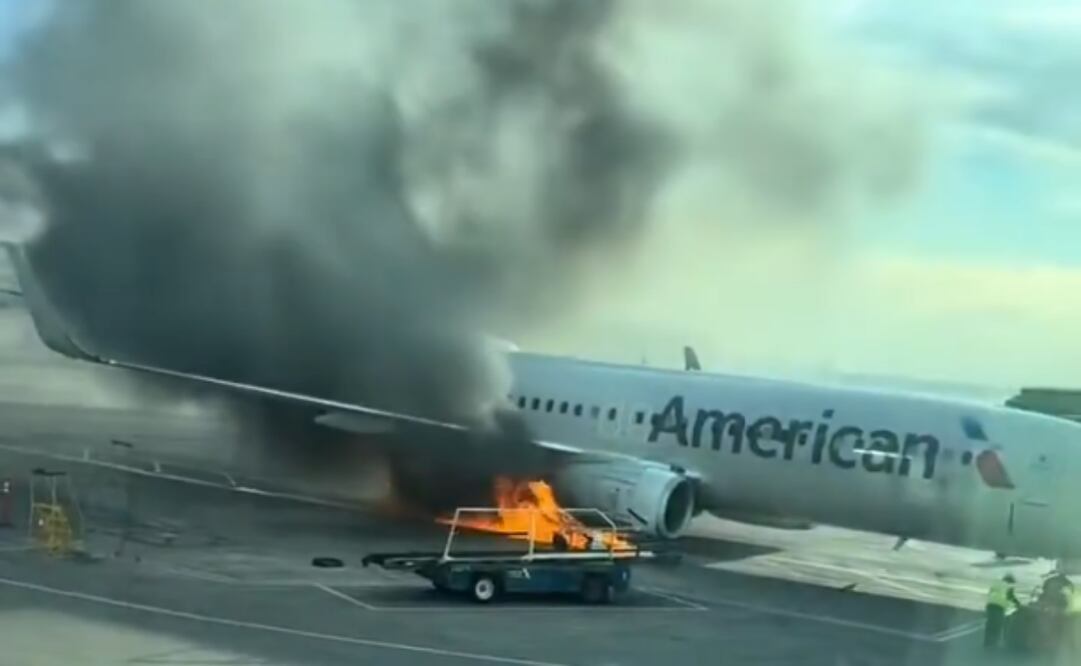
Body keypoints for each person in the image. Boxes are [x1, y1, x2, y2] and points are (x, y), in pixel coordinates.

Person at [985, 573, 1020, 650]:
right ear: (1010, 582)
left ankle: (987, 642)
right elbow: (1010, 597)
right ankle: (994, 643)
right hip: (999, 607)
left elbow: (990, 593)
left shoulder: (996, 584)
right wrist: (1017, 604)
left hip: (990, 605)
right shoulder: (1008, 586)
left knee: (990, 624)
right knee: (997, 625)